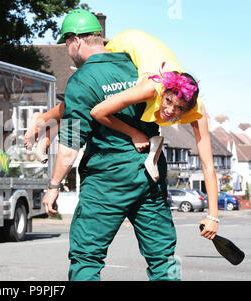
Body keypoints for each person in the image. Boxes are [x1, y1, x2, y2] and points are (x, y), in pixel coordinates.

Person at [41, 9, 214, 281]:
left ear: (75, 41)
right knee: (163, 260)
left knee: (87, 258)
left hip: (106, 180)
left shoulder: (81, 80)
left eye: (66, 44)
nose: (68, 50)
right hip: (149, 175)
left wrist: (53, 187)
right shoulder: (137, 66)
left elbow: (70, 144)